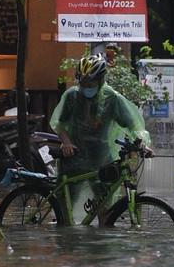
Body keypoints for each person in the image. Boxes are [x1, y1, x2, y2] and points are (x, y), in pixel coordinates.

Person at [50, 52, 151, 219]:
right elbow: (59, 124)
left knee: (104, 209)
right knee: (64, 206)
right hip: (73, 158)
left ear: (101, 81)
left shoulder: (113, 99)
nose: (86, 87)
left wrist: (142, 144)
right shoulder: (72, 96)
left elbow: (132, 126)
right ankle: (63, 233)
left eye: (91, 83)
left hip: (101, 159)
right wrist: (66, 142)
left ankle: (103, 236)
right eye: (83, 83)